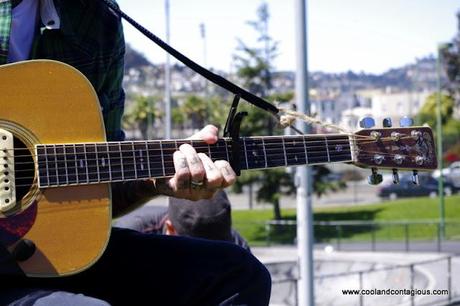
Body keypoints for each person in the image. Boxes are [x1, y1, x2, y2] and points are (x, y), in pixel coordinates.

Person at [0, 1, 271, 305]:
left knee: (237, 275)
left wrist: (153, 181)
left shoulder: (95, 17)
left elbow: (101, 183)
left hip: (38, 253)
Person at [115, 190, 251, 252]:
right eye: (198, 252)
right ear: (170, 228)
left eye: (217, 249)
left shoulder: (237, 245)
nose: (205, 261)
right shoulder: (132, 236)